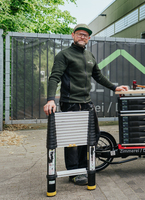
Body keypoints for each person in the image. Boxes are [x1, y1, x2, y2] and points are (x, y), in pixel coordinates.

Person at [43, 24, 128, 185]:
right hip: (70, 103)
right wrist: (50, 99)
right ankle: (74, 172)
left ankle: (83, 167)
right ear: (73, 35)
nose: (83, 37)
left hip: (87, 103)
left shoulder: (89, 55)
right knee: (72, 140)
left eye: (86, 35)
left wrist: (115, 87)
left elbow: (98, 76)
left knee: (92, 136)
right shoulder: (64, 55)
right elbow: (54, 77)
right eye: (80, 34)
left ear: (88, 39)